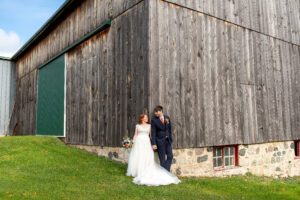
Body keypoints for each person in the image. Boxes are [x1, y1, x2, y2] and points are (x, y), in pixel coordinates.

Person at [126, 113, 180, 186]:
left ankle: (146, 170)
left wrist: (153, 144)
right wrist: (132, 142)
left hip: (146, 142)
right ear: (142, 118)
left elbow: (152, 136)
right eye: (145, 118)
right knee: (138, 156)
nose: (147, 119)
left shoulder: (149, 126)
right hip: (138, 142)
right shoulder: (137, 126)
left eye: (147, 117)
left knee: (146, 156)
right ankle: (138, 171)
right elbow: (135, 135)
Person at [150, 105, 173, 171]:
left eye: (157, 112)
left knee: (170, 156)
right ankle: (165, 174)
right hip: (159, 141)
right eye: (155, 112)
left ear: (161, 111)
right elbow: (153, 132)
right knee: (162, 159)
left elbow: (170, 129)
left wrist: (170, 138)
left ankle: (166, 172)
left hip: (168, 141)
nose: (155, 113)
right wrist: (153, 143)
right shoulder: (154, 120)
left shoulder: (167, 117)